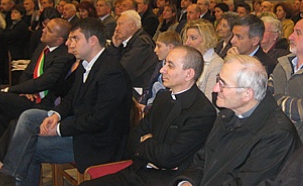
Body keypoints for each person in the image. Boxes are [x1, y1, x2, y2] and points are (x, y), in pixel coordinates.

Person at [0, 18, 133, 186]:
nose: (69, 43)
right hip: (83, 132)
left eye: (75, 38)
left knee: (30, 146)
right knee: (29, 116)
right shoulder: (87, 65)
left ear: (92, 41)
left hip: (98, 143)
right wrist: (57, 115)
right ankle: (6, 179)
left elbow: (98, 120)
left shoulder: (111, 73)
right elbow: (71, 98)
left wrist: (59, 129)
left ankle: (5, 180)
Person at [0, 18, 75, 174]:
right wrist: (24, 90)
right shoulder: (42, 47)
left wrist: (12, 90)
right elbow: (27, 73)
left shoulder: (64, 56)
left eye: (49, 30)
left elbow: (46, 81)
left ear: (59, 39)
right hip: (30, 97)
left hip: (44, 104)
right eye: (46, 27)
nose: (43, 30)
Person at [81, 46, 217, 186]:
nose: (162, 70)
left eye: (170, 65)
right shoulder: (162, 97)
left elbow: (169, 158)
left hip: (163, 179)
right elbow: (133, 137)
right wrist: (152, 150)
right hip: (138, 170)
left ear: (188, 74)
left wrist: (145, 142)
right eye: (165, 64)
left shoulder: (202, 111)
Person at [172, 55, 301, 186]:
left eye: (223, 84)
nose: (215, 89)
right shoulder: (228, 114)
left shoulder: (277, 134)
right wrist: (187, 181)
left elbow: (248, 182)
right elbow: (202, 161)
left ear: (247, 94)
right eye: (218, 80)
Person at [110, 10, 158, 97]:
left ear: (132, 26)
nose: (116, 29)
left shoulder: (142, 43)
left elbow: (122, 70)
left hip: (138, 93)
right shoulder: (127, 42)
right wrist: (115, 47)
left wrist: (115, 49)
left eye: (120, 24)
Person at [139, 30, 181, 111]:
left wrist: (146, 108)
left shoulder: (176, 71)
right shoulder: (159, 65)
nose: (155, 50)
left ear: (170, 48)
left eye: (159, 46)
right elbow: (149, 88)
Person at [183, 19, 223, 99]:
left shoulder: (216, 64)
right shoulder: (188, 59)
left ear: (206, 39)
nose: (187, 42)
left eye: (193, 38)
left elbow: (210, 99)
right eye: (187, 38)